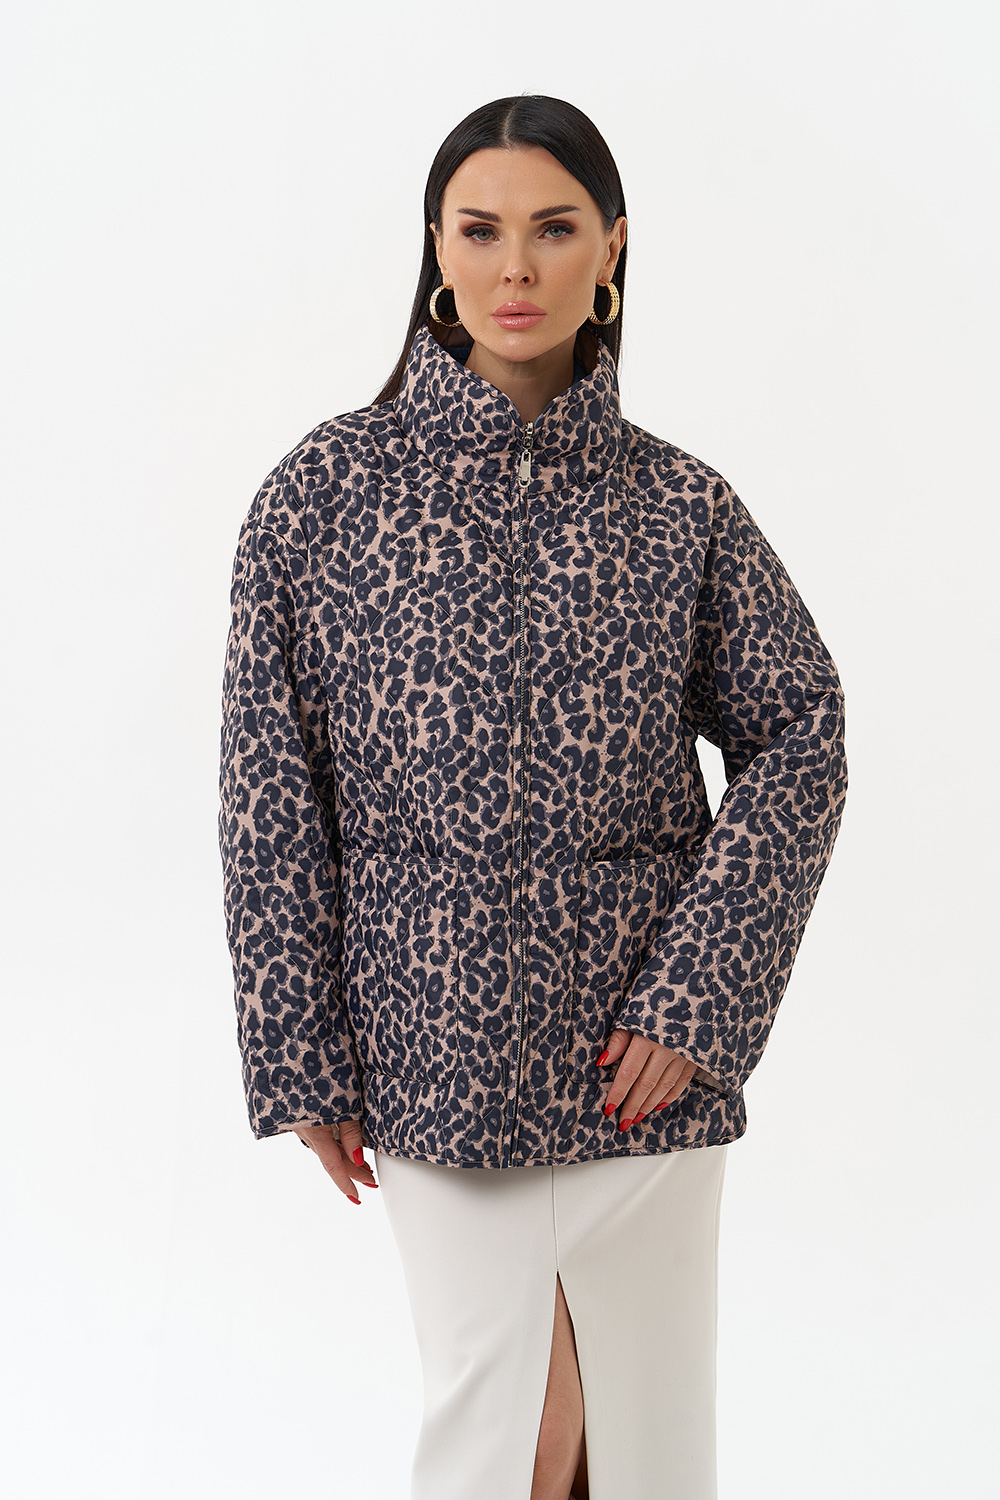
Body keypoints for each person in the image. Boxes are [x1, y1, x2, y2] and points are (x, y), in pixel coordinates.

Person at [218, 94, 847, 1500]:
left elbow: (803, 732)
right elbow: (268, 791)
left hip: (640, 1077)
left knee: (644, 1451)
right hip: (432, 1055)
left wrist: (698, 1002)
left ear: (611, 248)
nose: (516, 267)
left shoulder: (680, 506)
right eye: (481, 230)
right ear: (436, 248)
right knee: (505, 1433)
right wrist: (300, 1054)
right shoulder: (323, 496)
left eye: (555, 230)